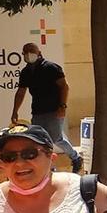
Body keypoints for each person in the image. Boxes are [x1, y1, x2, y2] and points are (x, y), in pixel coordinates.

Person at [9, 40, 79, 170]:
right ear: (23, 55)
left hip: (54, 109)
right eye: (26, 52)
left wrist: (62, 106)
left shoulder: (51, 67)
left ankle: (71, 159)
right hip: (37, 111)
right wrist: (15, 111)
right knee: (41, 139)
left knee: (54, 139)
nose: (29, 55)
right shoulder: (25, 72)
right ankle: (55, 165)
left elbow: (64, 87)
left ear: (39, 53)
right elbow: (20, 92)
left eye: (32, 52)